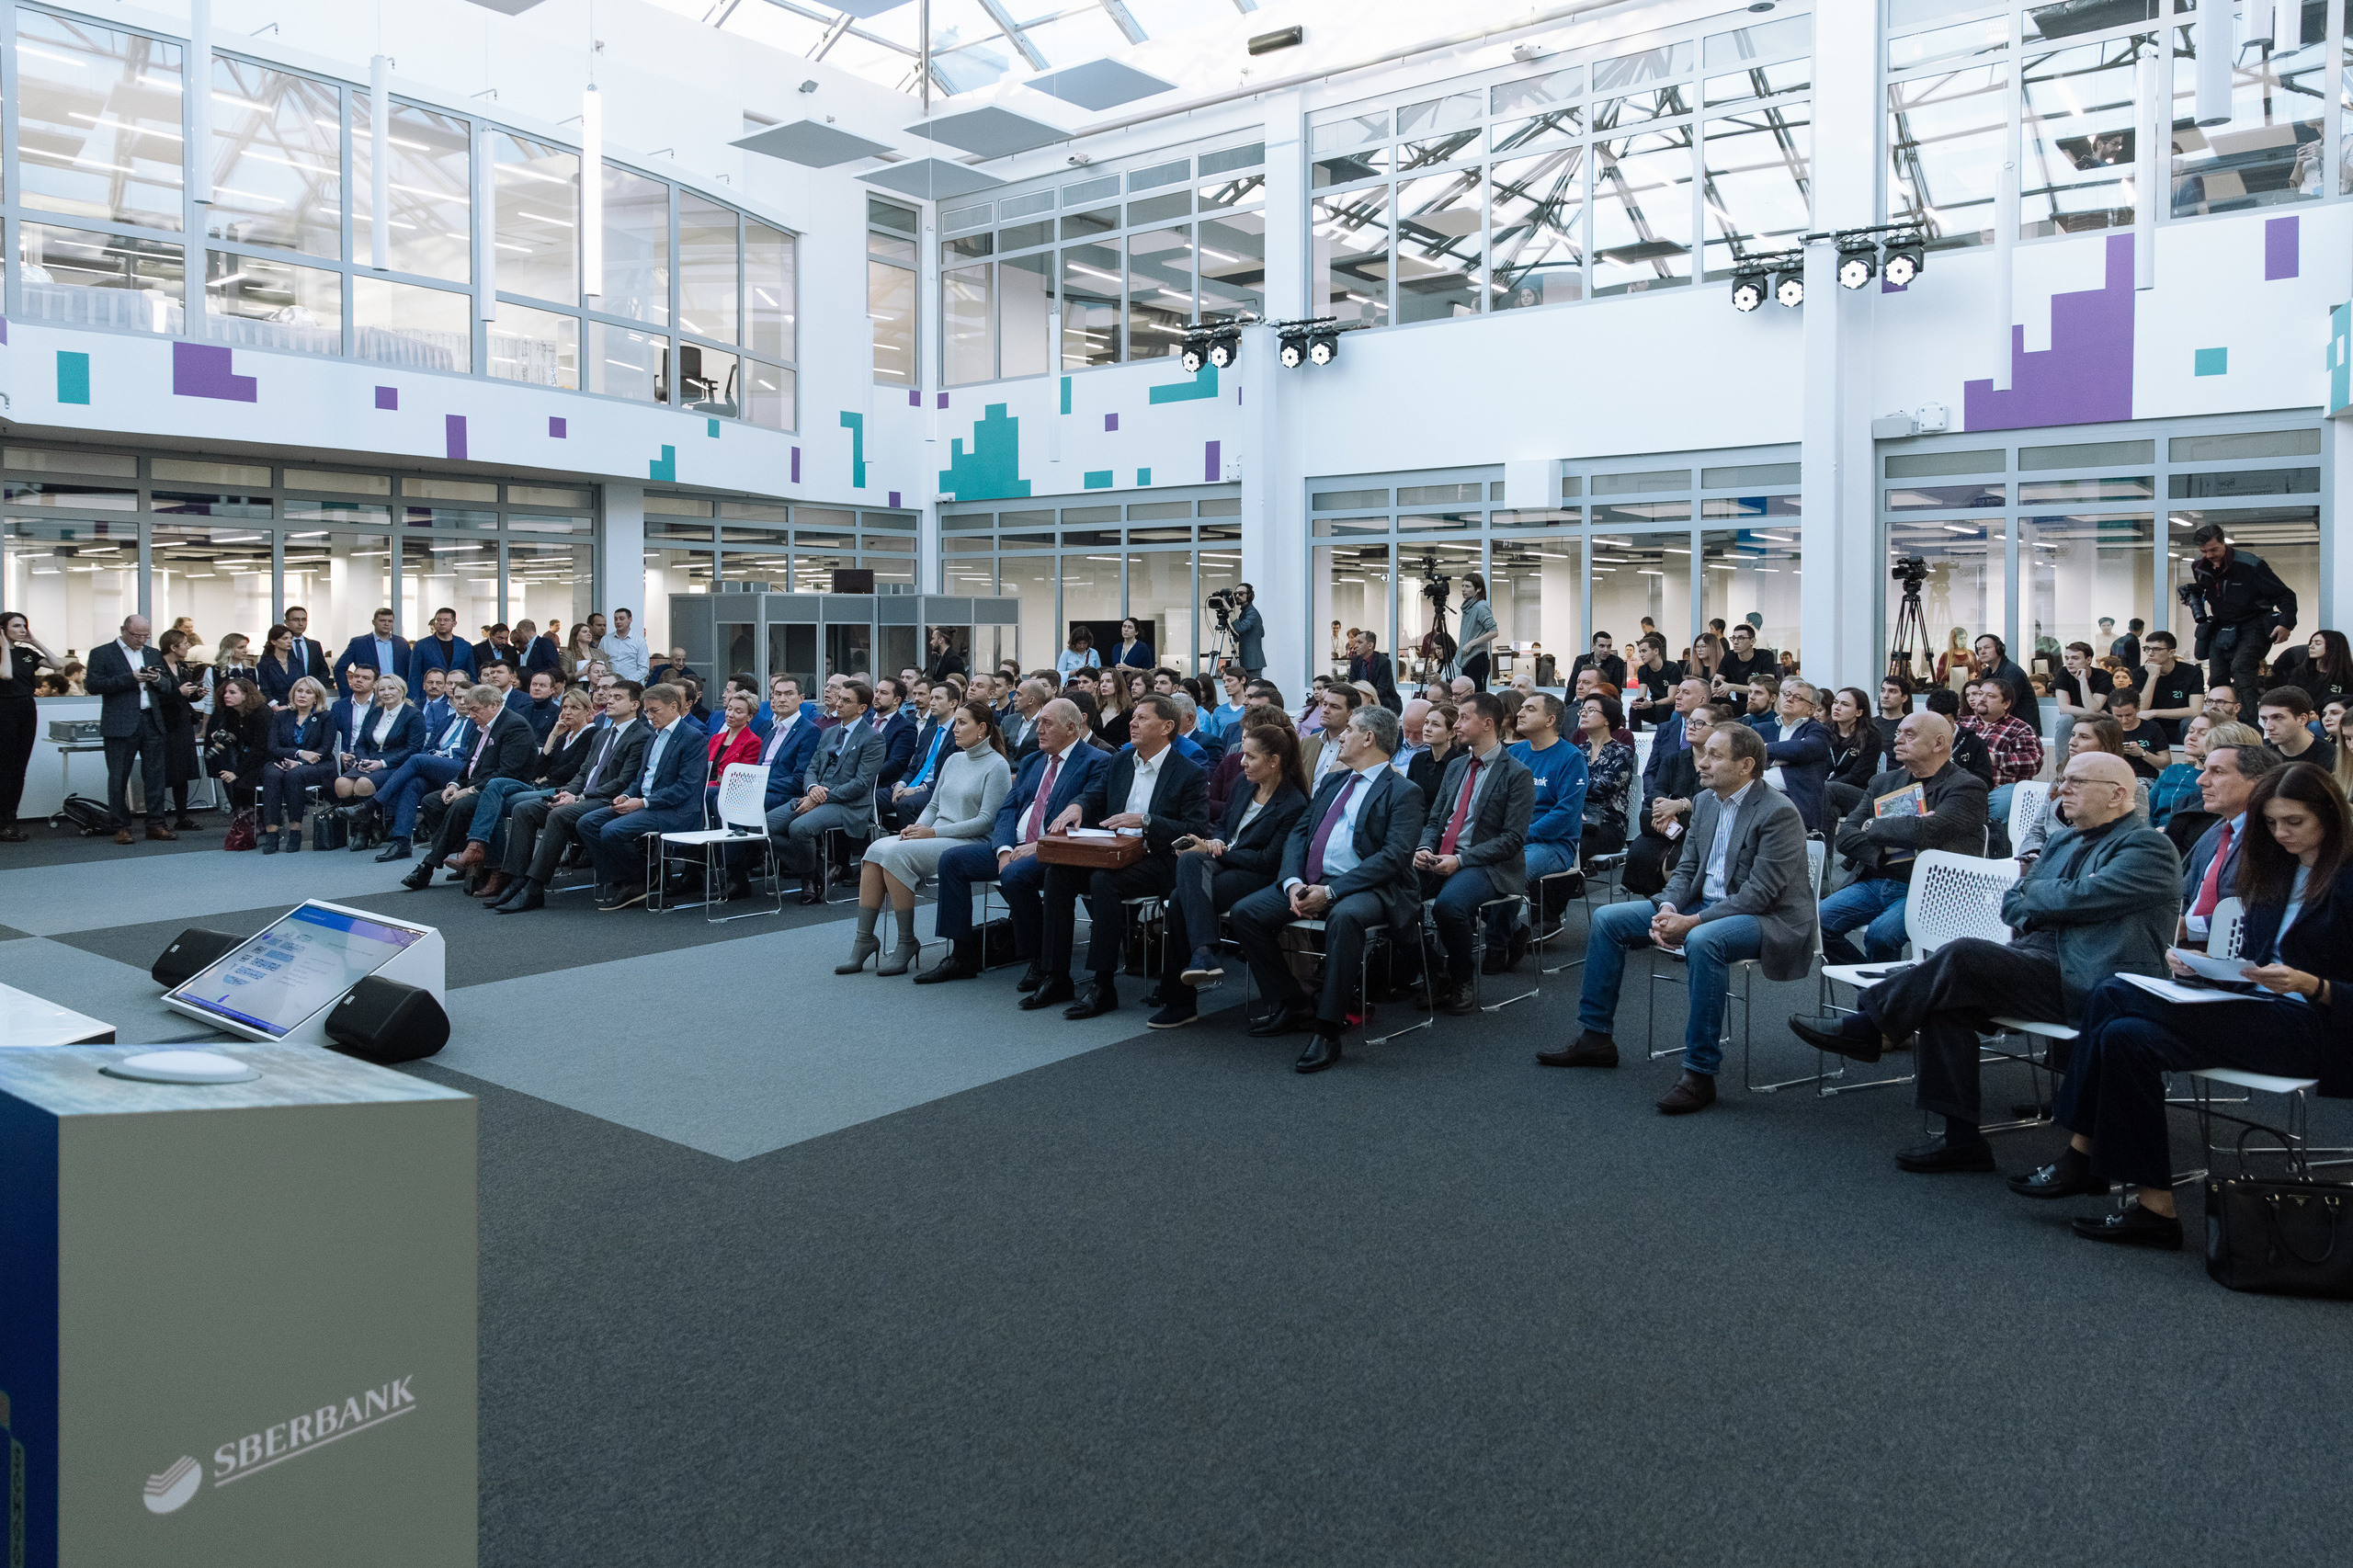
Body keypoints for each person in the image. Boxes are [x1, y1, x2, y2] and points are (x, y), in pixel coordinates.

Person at [1790, 752, 2178, 1171]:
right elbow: (2013, 903)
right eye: (2064, 779)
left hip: (2092, 980)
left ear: (2117, 794)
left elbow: (2079, 899)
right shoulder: (2064, 839)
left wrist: (2048, 897)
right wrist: (2051, 897)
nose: (2062, 788)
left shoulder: (2148, 847)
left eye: (2077, 782)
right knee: (1946, 1003)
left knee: (1963, 953)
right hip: (2035, 962)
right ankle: (1961, 1140)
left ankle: (1870, 1026)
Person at [2022, 763, 2352, 1250]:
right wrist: (2211, 967)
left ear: (2331, 815)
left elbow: (2313, 980)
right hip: (2256, 1009)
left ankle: (2080, 1151)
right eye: (2271, 823)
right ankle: (2155, 1208)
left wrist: (2315, 985)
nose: (2280, 834)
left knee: (2114, 992)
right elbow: (2260, 960)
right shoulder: (2277, 870)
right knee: (2124, 1037)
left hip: (2315, 1026)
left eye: (2294, 822)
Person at [1540, 723, 1815, 1115]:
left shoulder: (1778, 812)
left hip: (1768, 918)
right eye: (1702, 753)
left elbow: (1760, 895)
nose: (1701, 762)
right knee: (1608, 919)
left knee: (1705, 941)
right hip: (1704, 906)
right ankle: (1595, 1038)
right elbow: (1686, 871)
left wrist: (1692, 922)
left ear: (1746, 765)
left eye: (1714, 755)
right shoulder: (1705, 801)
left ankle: (1700, 1073)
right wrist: (1668, 907)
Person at [1227, 704, 1426, 1073]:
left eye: (1349, 729)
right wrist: (1291, 882)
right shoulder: (1333, 782)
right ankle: (1292, 1003)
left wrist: (1332, 894)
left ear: (1369, 738)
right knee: (1245, 913)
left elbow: (1393, 858)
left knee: (1345, 919)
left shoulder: (1403, 791)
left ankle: (1327, 1030)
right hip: (1311, 880)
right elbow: (1299, 833)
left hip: (1371, 886)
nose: (1340, 735)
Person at [1023, 694, 1210, 1019]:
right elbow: (1096, 794)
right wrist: (1077, 805)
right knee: (1058, 873)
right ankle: (1055, 975)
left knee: (1103, 881)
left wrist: (1146, 821)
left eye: (1142, 719)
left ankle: (1103, 983)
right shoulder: (1121, 761)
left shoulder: (1188, 772)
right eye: (1133, 717)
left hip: (1158, 859)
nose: (1132, 723)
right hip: (1114, 852)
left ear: (1167, 727)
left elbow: (1193, 829)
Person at [1153, 722, 1313, 1028]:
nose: (1242, 762)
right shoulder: (1243, 784)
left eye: (1250, 757)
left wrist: (1217, 852)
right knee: (1187, 865)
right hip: (1226, 863)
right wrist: (1215, 842)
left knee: (1177, 899)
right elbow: (1225, 825)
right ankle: (1203, 953)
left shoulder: (1293, 803)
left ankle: (1183, 993)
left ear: (1274, 760)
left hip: (1259, 875)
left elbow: (1269, 861)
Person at [840, 699, 1015, 977]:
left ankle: (906, 941)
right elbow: (933, 806)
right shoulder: (954, 760)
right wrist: (916, 828)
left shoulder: (997, 766)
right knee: (875, 849)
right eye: (954, 722)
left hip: (971, 841)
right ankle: (864, 939)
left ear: (982, 728)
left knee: (896, 854)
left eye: (962, 723)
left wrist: (931, 832)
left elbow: (986, 821)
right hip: (937, 835)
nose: (954, 729)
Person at [1816, 711, 1989, 966]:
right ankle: (1881, 995)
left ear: (1938, 743)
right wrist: (1886, 847)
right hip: (1877, 878)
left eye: (1910, 734)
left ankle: (1885, 998)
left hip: (1931, 887)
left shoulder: (1967, 787)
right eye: (1899, 733)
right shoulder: (1883, 782)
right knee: (1815, 924)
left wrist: (1873, 825)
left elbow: (1928, 831)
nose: (1898, 739)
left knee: (1881, 935)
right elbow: (1846, 837)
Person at [1412, 693, 1535, 1013]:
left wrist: (1461, 860)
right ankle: (1435, 971)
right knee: (1392, 894)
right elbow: (1436, 819)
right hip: (1442, 855)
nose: (1457, 725)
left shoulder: (1516, 773)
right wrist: (1425, 847)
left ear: (1487, 723)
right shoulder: (1456, 766)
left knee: (1449, 906)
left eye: (1464, 718)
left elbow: (1512, 840)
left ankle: (1460, 978)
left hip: (1488, 864)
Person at [488, 681, 654, 915]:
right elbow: (584, 772)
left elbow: (623, 782)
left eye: (617, 697)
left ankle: (534, 887)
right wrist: (570, 792)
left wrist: (580, 797)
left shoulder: (641, 736)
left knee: (559, 814)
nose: (609, 700)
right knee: (524, 809)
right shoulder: (602, 734)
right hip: (584, 796)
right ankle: (517, 880)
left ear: (635, 705)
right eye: (610, 696)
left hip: (609, 799)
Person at [396, 684, 538, 885]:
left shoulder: (515, 726)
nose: (471, 715)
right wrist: (455, 784)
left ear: (494, 705)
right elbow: (471, 764)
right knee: (432, 802)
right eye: (469, 710)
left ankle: (427, 866)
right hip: (477, 784)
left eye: (475, 710)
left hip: (505, 788)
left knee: (461, 806)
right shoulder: (480, 727)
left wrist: (470, 790)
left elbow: (509, 771)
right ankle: (466, 855)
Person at [774, 681, 883, 903]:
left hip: (848, 804)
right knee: (764, 826)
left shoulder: (872, 738)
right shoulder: (829, 732)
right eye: (839, 697)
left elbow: (861, 784)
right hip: (817, 796)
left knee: (799, 828)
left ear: (862, 708)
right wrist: (813, 789)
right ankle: (819, 869)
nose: (838, 703)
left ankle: (808, 879)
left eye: (846, 700)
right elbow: (812, 768)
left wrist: (821, 797)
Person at [2184, 519, 2297, 708]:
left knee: (2241, 668)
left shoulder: (2250, 564)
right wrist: (2193, 595)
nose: (2209, 555)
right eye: (2204, 551)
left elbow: (2285, 595)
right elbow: (2208, 588)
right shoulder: (2198, 566)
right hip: (2221, 624)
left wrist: (2286, 623)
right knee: (2217, 676)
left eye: (2214, 550)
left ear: (2224, 542)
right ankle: (2218, 721)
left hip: (2254, 622)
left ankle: (2248, 723)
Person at [85, 615, 177, 845]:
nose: (142, 640)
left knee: (155, 775)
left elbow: (168, 686)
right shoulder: (102, 653)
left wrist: (156, 678)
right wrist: (130, 678)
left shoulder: (152, 653)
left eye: (146, 635)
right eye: (137, 635)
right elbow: (93, 686)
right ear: (123, 630)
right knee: (118, 777)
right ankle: (120, 826)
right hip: (120, 721)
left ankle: (156, 823)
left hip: (151, 719)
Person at [2176, 734, 2270, 948]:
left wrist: (2189, 929)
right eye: (2205, 768)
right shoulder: (2215, 832)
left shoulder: (2272, 837)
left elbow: (2259, 913)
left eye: (2217, 771)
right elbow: (2185, 895)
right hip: (2184, 951)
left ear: (2258, 782)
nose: (2201, 780)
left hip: (2232, 958)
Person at [1510, 692, 1588, 931]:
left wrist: (1520, 835)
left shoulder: (1571, 757)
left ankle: (1502, 937)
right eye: (1521, 707)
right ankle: (1511, 931)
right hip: (1512, 839)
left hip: (1554, 845)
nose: (1520, 713)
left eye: (1530, 709)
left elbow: (1565, 813)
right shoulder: (1514, 753)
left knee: (1509, 871)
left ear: (1550, 720)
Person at [257, 676, 335, 853]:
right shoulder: (281, 716)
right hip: (281, 762)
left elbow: (325, 748)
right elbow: (273, 747)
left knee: (295, 775)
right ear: (293, 694)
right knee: (272, 775)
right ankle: (272, 833)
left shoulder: (326, 717)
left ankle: (295, 831)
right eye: (299, 691)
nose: (303, 695)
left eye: (308, 692)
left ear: (316, 697)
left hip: (317, 765)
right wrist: (298, 754)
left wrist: (299, 763)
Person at [0, 612, 59, 840]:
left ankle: (9, 821)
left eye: (25, 626)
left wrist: (35, 642)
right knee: (4, 768)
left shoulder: (26, 653)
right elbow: (5, 675)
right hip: (4, 710)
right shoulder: (2, 652)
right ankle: (4, 822)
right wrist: (4, 646)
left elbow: (58, 665)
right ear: (3, 630)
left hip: (26, 710)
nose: (22, 630)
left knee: (18, 769)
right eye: (16, 626)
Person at [1961, 676, 2043, 833]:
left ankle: (1986, 834)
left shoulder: (2020, 729)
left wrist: (1994, 758)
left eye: (1991, 696)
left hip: (1993, 793)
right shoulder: (1962, 724)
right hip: (1959, 789)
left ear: (2006, 704)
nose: (1981, 699)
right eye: (1980, 694)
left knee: (2012, 793)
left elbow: (2034, 762)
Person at [331, 672, 422, 809]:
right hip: (369, 763)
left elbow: (413, 749)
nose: (386, 693)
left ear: (402, 690)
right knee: (341, 783)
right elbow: (361, 743)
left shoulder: (413, 715)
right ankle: (354, 825)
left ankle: (372, 825)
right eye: (382, 689)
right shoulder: (375, 712)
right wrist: (363, 760)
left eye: (392, 688)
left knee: (363, 784)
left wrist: (382, 763)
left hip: (396, 766)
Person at [1761, 678, 1834, 835]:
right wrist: (1781, 758)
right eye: (1787, 694)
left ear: (1811, 710)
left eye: (1797, 697)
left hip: (1793, 800)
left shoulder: (1818, 731)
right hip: (1755, 795)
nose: (1789, 699)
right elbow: (1744, 753)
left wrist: (1764, 748)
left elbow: (1803, 749)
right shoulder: (1762, 729)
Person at [153, 628, 209, 831]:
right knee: (163, 772)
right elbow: (157, 699)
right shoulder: (157, 668)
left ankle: (182, 817)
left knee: (183, 771)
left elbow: (186, 696)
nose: (188, 646)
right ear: (172, 646)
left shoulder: (182, 666)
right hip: (165, 725)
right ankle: (158, 819)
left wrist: (197, 694)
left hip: (183, 723)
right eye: (184, 643)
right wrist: (179, 692)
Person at [1574, 692, 1635, 862]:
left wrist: (1571, 789)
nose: (1584, 714)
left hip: (1608, 824)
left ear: (1607, 719)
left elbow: (1602, 788)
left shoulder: (1621, 752)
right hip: (1576, 819)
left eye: (1591, 710)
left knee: (1571, 845)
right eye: (1582, 710)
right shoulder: (1576, 751)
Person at [202, 675, 269, 812]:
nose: (226, 696)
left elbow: (261, 747)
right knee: (234, 781)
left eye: (232, 692)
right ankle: (245, 819)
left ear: (245, 695)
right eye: (225, 692)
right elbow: (236, 735)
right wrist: (225, 735)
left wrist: (237, 772)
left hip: (266, 757)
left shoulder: (262, 713)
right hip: (248, 755)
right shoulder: (232, 712)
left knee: (244, 782)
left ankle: (258, 819)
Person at [1823, 686, 1885, 821]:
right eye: (1835, 702)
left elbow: (1857, 777)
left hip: (1859, 795)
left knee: (1828, 790)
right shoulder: (1824, 731)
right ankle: (1825, 842)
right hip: (1828, 793)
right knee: (1833, 809)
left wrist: (1821, 787)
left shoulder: (1871, 736)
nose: (1837, 707)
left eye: (1844, 704)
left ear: (1859, 712)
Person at [2131, 628, 2202, 744]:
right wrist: (2152, 677)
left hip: (2179, 724)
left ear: (2171, 652)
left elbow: (2196, 710)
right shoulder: (2139, 673)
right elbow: (2142, 709)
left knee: (2190, 721)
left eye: (2156, 649)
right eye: (2147, 648)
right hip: (2152, 724)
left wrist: (2154, 712)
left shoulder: (2191, 672)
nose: (2150, 653)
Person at [2147, 712, 2210, 828]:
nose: (2192, 737)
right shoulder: (2172, 770)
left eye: (2203, 733)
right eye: (2190, 731)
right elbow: (2148, 810)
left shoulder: (2215, 778)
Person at [332, 608, 410, 700]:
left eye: (390, 621)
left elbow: (410, 671)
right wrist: (347, 694)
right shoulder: (359, 643)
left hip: (397, 695)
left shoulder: (402, 643)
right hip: (370, 696)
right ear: (374, 622)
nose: (386, 624)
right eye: (382, 620)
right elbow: (339, 668)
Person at [2049, 641, 2111, 755]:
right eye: (2067, 658)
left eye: (2075, 658)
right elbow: (2064, 708)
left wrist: (2083, 681)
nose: (2069, 662)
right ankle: (2062, 768)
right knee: (2065, 719)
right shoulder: (2063, 673)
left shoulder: (2104, 676)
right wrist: (2095, 713)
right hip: (2082, 718)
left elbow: (2093, 708)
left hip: (2099, 721)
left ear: (2088, 660)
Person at [2257, 685, 2334, 773]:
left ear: (2302, 719)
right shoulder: (2261, 753)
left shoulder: (2330, 757)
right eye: (2264, 719)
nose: (2268, 727)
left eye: (2277, 717)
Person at [1300, 683, 1366, 783]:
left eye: (1334, 707)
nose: (1325, 710)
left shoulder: (1359, 746)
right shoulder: (1307, 743)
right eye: (1324, 704)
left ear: (1351, 713)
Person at [2285, 629, 2352, 710]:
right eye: (2311, 642)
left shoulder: (2348, 676)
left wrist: (2320, 715)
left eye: (2318, 643)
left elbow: (2348, 705)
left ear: (2332, 647)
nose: (2311, 646)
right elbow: (2291, 699)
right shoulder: (2300, 672)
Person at [1453, 573, 1498, 689]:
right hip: (1467, 658)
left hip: (1477, 657)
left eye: (1467, 586)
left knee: (1476, 696)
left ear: (1478, 589)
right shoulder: (1469, 607)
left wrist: (1471, 643)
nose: (1463, 589)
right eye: (1462, 586)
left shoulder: (1480, 606)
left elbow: (1494, 632)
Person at [1347, 629, 1402, 712]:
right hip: (1360, 701)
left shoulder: (1383, 662)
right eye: (1355, 642)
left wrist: (1365, 699)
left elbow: (1381, 691)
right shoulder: (1355, 660)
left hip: (1382, 702)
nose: (1355, 646)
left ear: (1370, 645)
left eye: (1360, 642)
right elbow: (1352, 683)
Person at [598, 608, 651, 684]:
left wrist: (626, 681)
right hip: (609, 684)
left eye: (621, 619)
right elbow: (599, 662)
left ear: (630, 619)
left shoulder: (639, 641)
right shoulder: (605, 640)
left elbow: (644, 669)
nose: (618, 622)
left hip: (632, 685)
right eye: (615, 619)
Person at [1571, 631, 1628, 696]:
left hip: (1606, 701)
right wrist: (1567, 705)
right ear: (1593, 646)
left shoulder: (1617, 662)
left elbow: (1616, 690)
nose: (1606, 650)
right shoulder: (1581, 660)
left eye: (1609, 646)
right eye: (1601, 646)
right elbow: (1572, 686)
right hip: (1584, 701)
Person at [280, 607, 327, 686]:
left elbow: (324, 671)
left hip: (311, 690)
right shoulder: (280, 644)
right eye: (296, 619)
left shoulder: (314, 645)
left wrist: (314, 685)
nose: (301, 623)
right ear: (286, 622)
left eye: (304, 619)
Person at [1229, 583, 1264, 678]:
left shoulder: (1251, 612)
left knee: (1253, 691)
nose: (1237, 596)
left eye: (1240, 594)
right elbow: (1261, 633)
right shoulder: (1245, 611)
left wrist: (1229, 610)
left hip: (1252, 663)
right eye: (1235, 594)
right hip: (1249, 662)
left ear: (1249, 596)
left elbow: (1240, 628)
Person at [1873, 678, 1911, 750]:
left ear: (1904, 698)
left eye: (1892, 692)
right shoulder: (1868, 724)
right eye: (1882, 691)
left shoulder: (1910, 726)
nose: (1885, 695)